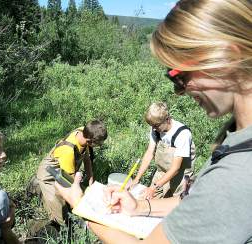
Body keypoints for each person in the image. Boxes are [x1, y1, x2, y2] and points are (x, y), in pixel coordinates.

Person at [56, 0, 252, 243]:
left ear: (227, 58)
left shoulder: (237, 171)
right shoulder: (238, 141)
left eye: (179, 76)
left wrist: (82, 206)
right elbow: (193, 201)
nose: (180, 91)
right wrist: (139, 206)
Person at [27, 119, 107, 226]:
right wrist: (83, 207)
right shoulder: (68, 152)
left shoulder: (84, 132)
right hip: (49, 174)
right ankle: (36, 185)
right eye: (99, 144)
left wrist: (91, 177)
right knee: (60, 211)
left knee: (77, 196)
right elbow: (71, 185)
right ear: (89, 141)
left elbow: (86, 157)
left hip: (64, 170)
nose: (100, 146)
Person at [130, 102, 195, 199]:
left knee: (175, 206)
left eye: (156, 125)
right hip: (161, 172)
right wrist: (137, 178)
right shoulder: (155, 129)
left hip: (180, 177)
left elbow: (176, 168)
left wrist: (154, 187)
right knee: (148, 200)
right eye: (152, 126)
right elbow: (149, 154)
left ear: (167, 119)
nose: (153, 129)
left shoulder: (182, 134)